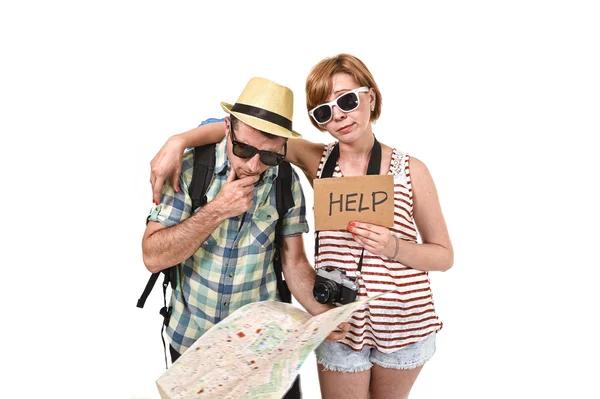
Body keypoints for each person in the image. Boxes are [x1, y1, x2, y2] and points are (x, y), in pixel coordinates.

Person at [149, 54, 454, 399]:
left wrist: (393, 247)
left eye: (347, 100)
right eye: (323, 111)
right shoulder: (316, 161)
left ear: (371, 96)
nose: (338, 114)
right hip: (341, 322)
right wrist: (179, 140)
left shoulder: (412, 170)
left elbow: (444, 256)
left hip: (403, 321)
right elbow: (247, 131)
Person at [142, 76, 349, 399]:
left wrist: (323, 315)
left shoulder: (285, 182)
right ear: (227, 128)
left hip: (265, 351)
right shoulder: (191, 169)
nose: (253, 165)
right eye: (243, 149)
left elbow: (294, 264)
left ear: (283, 148)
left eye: (268, 156)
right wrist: (215, 211)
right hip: (194, 347)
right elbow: (152, 257)